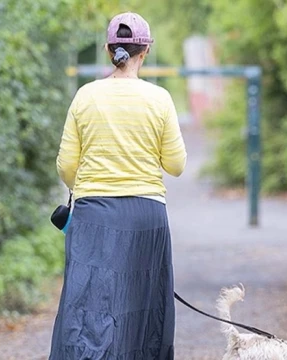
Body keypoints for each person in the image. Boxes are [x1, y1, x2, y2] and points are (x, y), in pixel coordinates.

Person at [49, 12, 187, 360]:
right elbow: (176, 165)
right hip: (146, 216)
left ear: (110, 50)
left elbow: (66, 166)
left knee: (88, 311)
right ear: (145, 52)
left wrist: (87, 184)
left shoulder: (85, 96)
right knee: (141, 310)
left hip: (95, 217)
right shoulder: (159, 100)